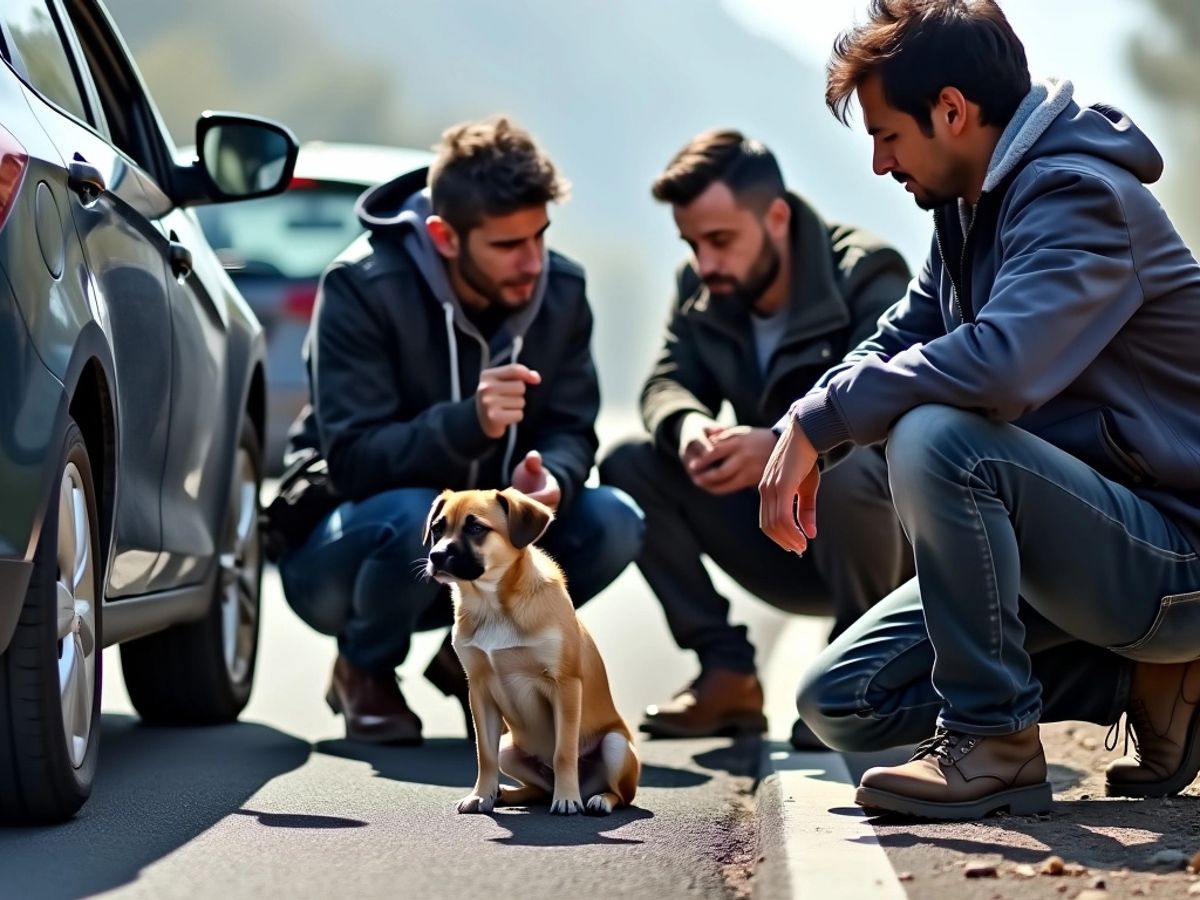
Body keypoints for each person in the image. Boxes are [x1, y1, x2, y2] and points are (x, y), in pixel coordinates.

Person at [760, 0, 1200, 820]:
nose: (881, 163)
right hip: (1071, 548)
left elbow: (1002, 368)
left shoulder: (1083, 197)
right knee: (841, 702)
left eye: (888, 135)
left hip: (1175, 555)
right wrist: (808, 415)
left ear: (953, 112)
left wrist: (828, 424)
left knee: (940, 435)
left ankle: (993, 741)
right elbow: (898, 341)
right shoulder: (966, 211)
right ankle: (1145, 678)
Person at [278, 117, 644, 745]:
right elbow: (352, 461)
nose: (533, 261)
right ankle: (363, 667)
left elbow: (571, 428)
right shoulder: (360, 286)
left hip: (485, 555)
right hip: (347, 551)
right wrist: (468, 423)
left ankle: (469, 658)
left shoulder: (562, 289)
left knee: (614, 521)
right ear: (445, 236)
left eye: (541, 236)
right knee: (410, 514)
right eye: (508, 245)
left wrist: (551, 478)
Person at [599, 130, 913, 748]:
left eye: (720, 240)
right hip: (775, 535)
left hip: (880, 540)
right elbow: (665, 383)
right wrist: (689, 427)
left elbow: (882, 394)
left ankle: (860, 682)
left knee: (847, 468)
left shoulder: (867, 271)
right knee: (630, 465)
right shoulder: (701, 284)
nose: (705, 261)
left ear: (775, 215)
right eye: (692, 243)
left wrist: (779, 444)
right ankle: (727, 674)